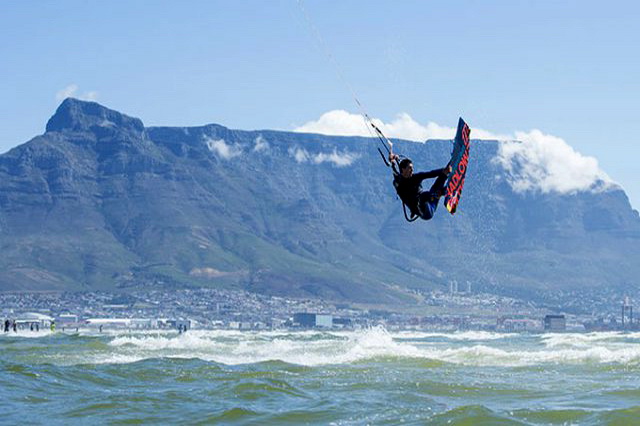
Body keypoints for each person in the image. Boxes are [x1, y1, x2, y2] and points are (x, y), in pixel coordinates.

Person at [389, 152, 451, 221]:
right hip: (424, 211)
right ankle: (443, 191)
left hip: (431, 203)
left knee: (440, 179)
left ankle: (450, 168)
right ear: (403, 169)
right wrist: (392, 161)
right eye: (409, 168)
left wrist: (443, 170)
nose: (412, 170)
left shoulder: (416, 177)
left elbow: (430, 174)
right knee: (423, 197)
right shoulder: (399, 182)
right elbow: (394, 170)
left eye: (412, 168)